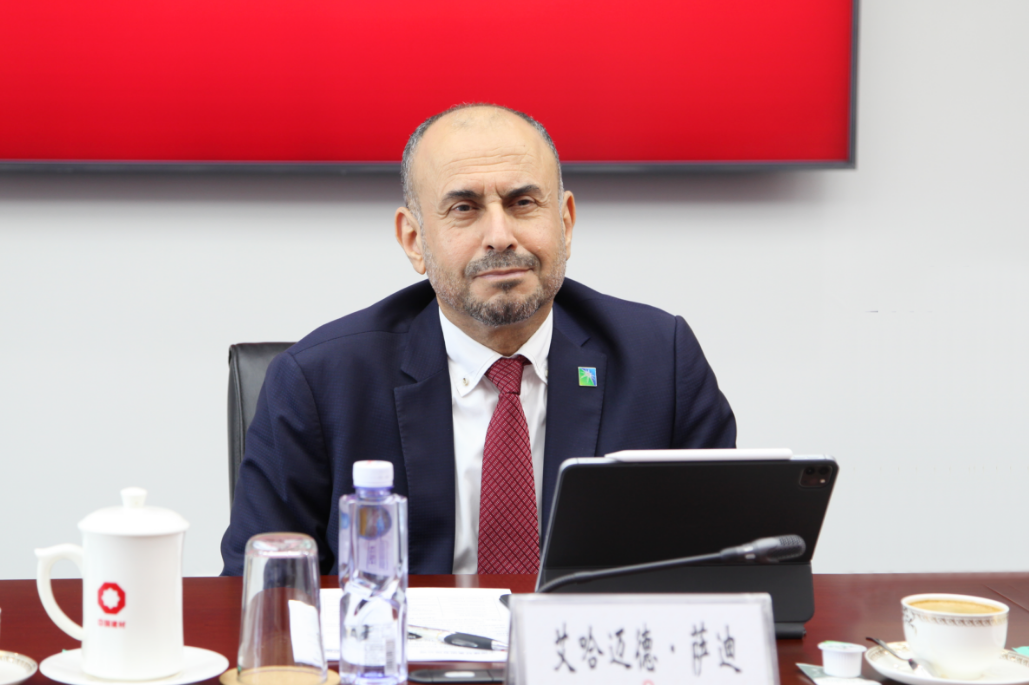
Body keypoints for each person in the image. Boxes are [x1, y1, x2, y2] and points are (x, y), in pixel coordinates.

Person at [221, 104, 736, 576]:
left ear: (565, 222)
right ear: (414, 241)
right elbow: (261, 592)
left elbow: (728, 564)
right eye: (464, 208)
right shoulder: (319, 383)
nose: (500, 236)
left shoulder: (660, 362)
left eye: (523, 203)